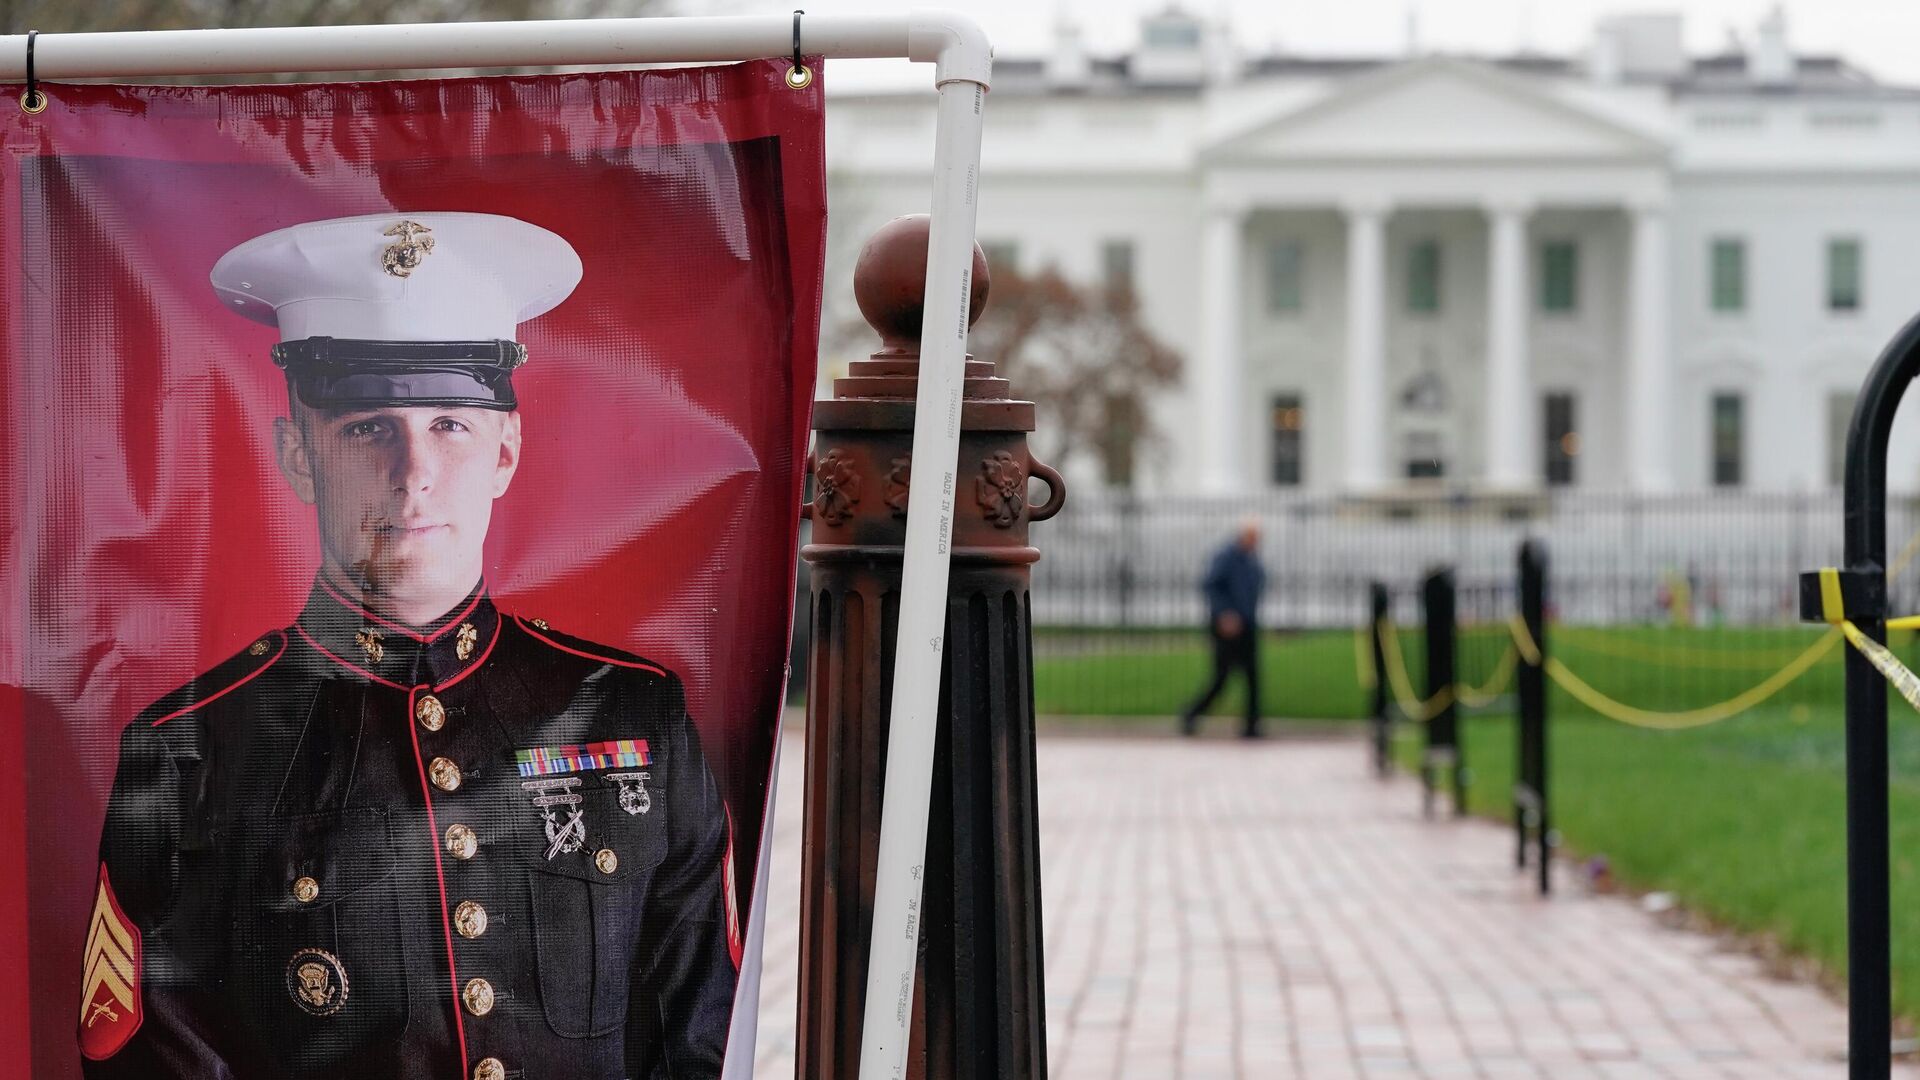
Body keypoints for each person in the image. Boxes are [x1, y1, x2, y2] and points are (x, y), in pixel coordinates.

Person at [78, 213, 739, 1080]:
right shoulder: (189, 750)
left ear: (506, 453)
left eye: (450, 426)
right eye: (366, 427)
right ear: (297, 455)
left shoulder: (632, 715)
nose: (413, 471)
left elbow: (698, 1038)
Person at [1179, 519, 1267, 738]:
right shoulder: (1226, 557)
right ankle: (1191, 713)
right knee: (1221, 677)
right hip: (1227, 626)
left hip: (1246, 624)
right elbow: (1211, 585)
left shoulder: (1251, 559)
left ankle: (1252, 725)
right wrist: (1224, 614)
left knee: (1253, 676)